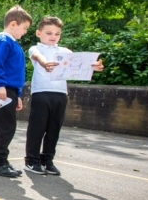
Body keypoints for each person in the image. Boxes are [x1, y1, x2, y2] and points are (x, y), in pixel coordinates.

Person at [24, 16, 104, 175]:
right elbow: (37, 58)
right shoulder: (36, 48)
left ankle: (48, 160)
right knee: (37, 128)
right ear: (39, 33)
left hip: (60, 93)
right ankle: (32, 161)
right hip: (41, 92)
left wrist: (94, 66)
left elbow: (80, 64)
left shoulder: (65, 52)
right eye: (49, 33)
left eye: (57, 34)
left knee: (54, 128)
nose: (53, 37)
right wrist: (45, 63)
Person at [0, 5, 33, 178]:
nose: (25, 32)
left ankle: (2, 160)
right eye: (24, 28)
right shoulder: (3, 41)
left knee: (9, 126)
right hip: (2, 90)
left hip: (9, 90)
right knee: (5, 127)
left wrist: (18, 94)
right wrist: (0, 86)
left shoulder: (12, 43)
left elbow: (15, 72)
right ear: (13, 24)